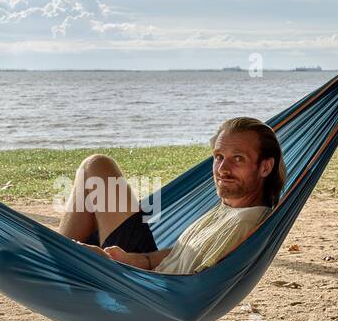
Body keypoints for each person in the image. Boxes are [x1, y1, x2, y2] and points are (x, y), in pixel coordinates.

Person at [55, 117, 286, 274]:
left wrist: (110, 266)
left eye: (238, 159)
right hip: (143, 271)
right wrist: (135, 259)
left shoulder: (245, 223)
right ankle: (53, 259)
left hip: (143, 292)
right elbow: (185, 254)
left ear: (265, 168)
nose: (223, 169)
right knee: (96, 168)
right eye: (218, 157)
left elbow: (193, 285)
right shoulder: (234, 209)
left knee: (97, 167)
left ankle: (51, 262)